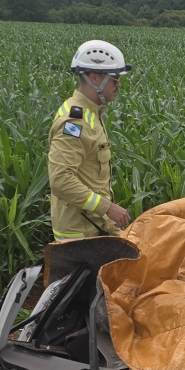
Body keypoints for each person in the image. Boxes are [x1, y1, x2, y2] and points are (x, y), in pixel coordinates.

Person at [47, 39, 134, 240]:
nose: (119, 84)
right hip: (81, 235)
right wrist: (108, 208)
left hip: (96, 225)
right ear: (95, 78)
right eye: (115, 78)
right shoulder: (74, 122)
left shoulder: (91, 114)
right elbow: (61, 180)